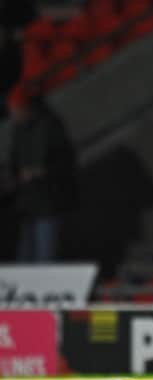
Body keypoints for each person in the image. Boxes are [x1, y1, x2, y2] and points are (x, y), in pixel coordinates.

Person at [8, 87, 78, 262]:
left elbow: (65, 161)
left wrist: (39, 171)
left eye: (16, 109)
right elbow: (14, 161)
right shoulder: (19, 131)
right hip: (26, 204)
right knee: (24, 258)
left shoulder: (50, 126)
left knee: (45, 258)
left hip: (48, 202)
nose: (14, 113)